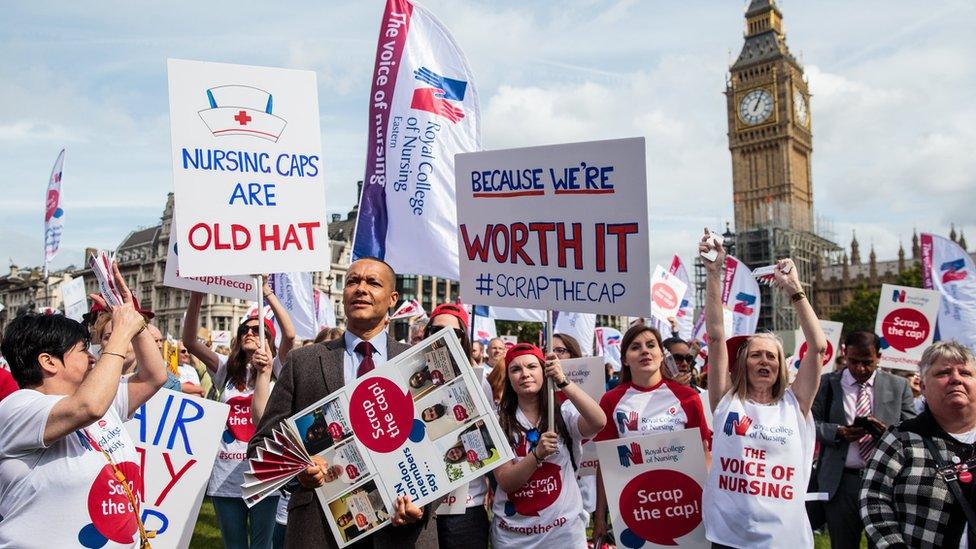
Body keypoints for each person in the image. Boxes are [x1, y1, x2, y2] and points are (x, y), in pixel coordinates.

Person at [248, 257, 436, 549]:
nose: (360, 289)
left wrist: (422, 505)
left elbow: (438, 446)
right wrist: (300, 469)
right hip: (318, 528)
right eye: (352, 281)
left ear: (393, 299)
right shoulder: (303, 362)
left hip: (398, 532)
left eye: (373, 282)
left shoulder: (418, 363)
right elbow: (262, 444)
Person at [0, 262, 167, 548]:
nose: (92, 357)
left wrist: (133, 319)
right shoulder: (18, 408)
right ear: (48, 361)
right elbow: (88, 407)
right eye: (82, 350)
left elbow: (154, 377)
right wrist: (120, 334)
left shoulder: (97, 395)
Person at [700, 232, 827, 549]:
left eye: (772, 355)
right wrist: (714, 273)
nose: (764, 360)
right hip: (731, 536)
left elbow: (818, 347)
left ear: (782, 366)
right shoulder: (726, 401)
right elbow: (716, 338)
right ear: (742, 363)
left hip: (783, 537)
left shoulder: (795, 404)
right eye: (756, 354)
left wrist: (795, 290)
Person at [183, 277, 296, 549]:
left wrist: (267, 294)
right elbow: (189, 341)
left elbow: (290, 335)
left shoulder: (276, 369)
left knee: (262, 546)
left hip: (264, 470)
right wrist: (197, 298)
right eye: (246, 329)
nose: (250, 333)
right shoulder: (226, 370)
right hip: (226, 476)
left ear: (268, 341)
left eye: (258, 331)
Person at [592, 324, 712, 542]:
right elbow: (605, 462)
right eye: (636, 347)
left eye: (651, 345)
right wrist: (600, 517)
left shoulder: (688, 397)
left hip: (682, 503)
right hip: (634, 505)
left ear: (661, 355)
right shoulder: (611, 400)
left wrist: (711, 504)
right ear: (626, 359)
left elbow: (704, 452)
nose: (645, 351)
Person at [861, 341, 976, 547]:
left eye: (965, 373)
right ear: (922, 386)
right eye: (943, 373)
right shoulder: (900, 438)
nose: (956, 379)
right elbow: (874, 501)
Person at [491, 343, 606, 548]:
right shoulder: (497, 421)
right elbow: (506, 481)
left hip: (564, 535)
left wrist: (563, 381)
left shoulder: (563, 413)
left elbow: (599, 421)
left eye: (532, 367)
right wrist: (536, 455)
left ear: (544, 371)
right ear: (508, 378)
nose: (524, 374)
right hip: (514, 537)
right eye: (516, 369)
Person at [811, 331, 916, 549]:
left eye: (867, 362)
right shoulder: (826, 384)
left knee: (884, 544)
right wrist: (838, 432)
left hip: (884, 481)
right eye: (853, 361)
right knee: (842, 543)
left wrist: (887, 433)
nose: (860, 368)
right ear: (844, 354)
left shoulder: (898, 386)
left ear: (879, 357)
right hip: (841, 484)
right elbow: (810, 424)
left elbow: (912, 432)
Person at [422, 303, 496, 549]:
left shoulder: (480, 381)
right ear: (427, 332)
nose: (444, 336)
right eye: (436, 330)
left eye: (454, 333)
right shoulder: (409, 375)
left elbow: (488, 442)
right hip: (416, 507)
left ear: (464, 338)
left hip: (464, 508)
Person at [485, 337, 508, 403]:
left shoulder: (509, 370)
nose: (497, 351)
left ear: (504, 351)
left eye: (500, 348)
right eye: (494, 348)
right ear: (487, 351)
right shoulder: (480, 369)